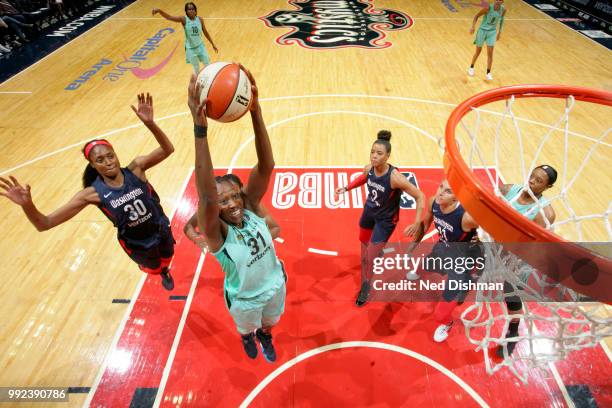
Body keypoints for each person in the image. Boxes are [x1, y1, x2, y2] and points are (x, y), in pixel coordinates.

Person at [0, 93, 176, 290]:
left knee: (169, 256)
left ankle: (165, 268)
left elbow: (168, 149)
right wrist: (27, 205)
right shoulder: (91, 194)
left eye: (111, 156)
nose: (108, 162)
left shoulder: (137, 168)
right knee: (154, 266)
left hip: (160, 226)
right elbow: (44, 223)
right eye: (100, 160)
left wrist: (150, 124)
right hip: (137, 243)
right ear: (92, 165)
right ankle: (161, 272)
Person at [188, 66, 286, 362]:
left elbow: (267, 165)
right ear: (212, 210)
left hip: (276, 283)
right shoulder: (218, 235)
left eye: (233, 196)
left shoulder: (250, 206)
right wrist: (200, 130)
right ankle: (247, 336)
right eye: (222, 201)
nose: (231, 204)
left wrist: (255, 111)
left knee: (270, 324)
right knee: (246, 328)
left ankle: (265, 337)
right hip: (243, 299)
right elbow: (205, 193)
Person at [335, 130, 425, 307]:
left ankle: (366, 286)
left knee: (369, 257)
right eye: (372, 152)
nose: (374, 156)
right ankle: (376, 251)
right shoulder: (370, 168)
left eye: (379, 153)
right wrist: (347, 188)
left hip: (386, 220)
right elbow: (364, 177)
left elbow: (420, 196)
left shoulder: (395, 178)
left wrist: (417, 222)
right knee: (363, 243)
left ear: (388, 156)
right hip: (370, 211)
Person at [496, 164, 557, 357]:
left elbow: (536, 246)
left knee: (512, 297)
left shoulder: (545, 213)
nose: (531, 181)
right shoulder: (509, 190)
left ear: (547, 188)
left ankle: (513, 331)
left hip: (519, 258)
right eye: (532, 176)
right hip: (497, 246)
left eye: (539, 181)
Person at [412, 180, 482, 342]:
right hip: (443, 249)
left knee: (440, 314)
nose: (441, 192)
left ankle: (448, 323)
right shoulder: (434, 202)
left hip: (462, 262)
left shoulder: (466, 218)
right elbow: (425, 224)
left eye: (448, 191)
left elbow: (492, 224)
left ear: (456, 199)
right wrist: (412, 246)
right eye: (441, 186)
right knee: (422, 267)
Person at [183, 174, 281, 250]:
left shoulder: (251, 204)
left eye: (235, 194)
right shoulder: (216, 209)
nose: (232, 202)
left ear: (241, 190)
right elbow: (188, 227)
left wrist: (253, 245)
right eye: (225, 198)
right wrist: (196, 238)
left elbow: (275, 229)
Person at [152, 2, 218, 74]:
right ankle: (196, 84)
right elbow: (169, 17)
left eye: (193, 9)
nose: (191, 10)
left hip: (201, 46)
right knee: (196, 69)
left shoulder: (200, 19)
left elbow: (205, 32)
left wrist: (213, 44)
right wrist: (159, 10)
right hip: (191, 49)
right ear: (186, 11)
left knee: (208, 65)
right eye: (189, 9)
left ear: (195, 11)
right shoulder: (184, 19)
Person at [467, 0, 506, 81]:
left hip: (492, 32)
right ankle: (471, 67)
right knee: (478, 51)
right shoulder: (488, 8)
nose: (498, 1)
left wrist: (500, 32)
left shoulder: (503, 10)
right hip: (482, 31)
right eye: (497, 0)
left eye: (500, 0)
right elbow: (476, 16)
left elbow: (502, 20)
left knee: (490, 53)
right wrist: (473, 27)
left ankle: (488, 72)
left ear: (502, 2)